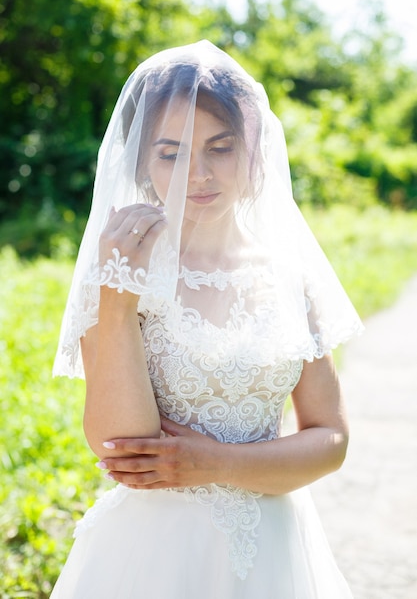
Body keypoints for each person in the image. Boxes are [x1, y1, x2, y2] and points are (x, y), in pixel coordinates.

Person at [51, 40, 363, 598]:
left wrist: (213, 462)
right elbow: (120, 448)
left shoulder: (292, 274)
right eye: (170, 152)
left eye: (220, 147)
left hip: (274, 550)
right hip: (152, 556)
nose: (197, 174)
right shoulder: (120, 267)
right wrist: (117, 301)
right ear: (141, 162)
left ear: (255, 152)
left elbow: (332, 438)